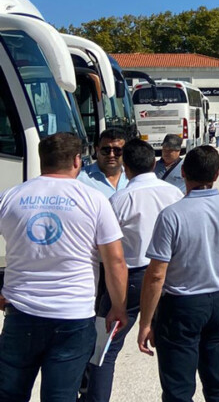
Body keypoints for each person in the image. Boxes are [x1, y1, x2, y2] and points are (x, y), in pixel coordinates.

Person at [0, 133, 129, 401]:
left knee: (9, 393)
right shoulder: (94, 200)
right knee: (61, 396)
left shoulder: (10, 197)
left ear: (41, 159)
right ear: (77, 160)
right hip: (73, 315)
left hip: (21, 312)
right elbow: (115, 260)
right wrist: (118, 307)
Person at [137, 146, 219, 401]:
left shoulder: (171, 216)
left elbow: (156, 275)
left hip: (181, 305)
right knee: (217, 381)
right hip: (217, 300)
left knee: (178, 389)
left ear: (184, 172)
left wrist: (146, 322)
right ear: (217, 174)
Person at [80, 139, 185, 402]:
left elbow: (102, 247)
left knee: (104, 350)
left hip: (130, 279)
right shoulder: (174, 194)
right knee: (171, 347)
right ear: (154, 163)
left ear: (126, 167)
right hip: (170, 276)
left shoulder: (119, 199)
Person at [78, 129, 130, 198]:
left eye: (117, 150)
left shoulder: (132, 178)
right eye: (106, 150)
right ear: (97, 150)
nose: (111, 155)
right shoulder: (80, 179)